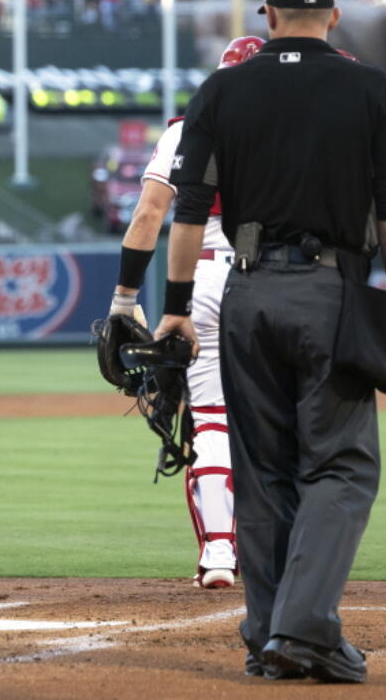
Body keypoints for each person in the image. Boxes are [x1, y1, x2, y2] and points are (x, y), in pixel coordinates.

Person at [155, 0, 386, 683]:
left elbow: (186, 214)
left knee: (262, 470)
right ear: (334, 16)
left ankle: (269, 634)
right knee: (340, 463)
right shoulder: (371, 87)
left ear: (266, 14)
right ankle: (303, 631)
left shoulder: (222, 89)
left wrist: (176, 310)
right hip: (329, 293)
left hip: (243, 293)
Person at [109, 35, 265, 590]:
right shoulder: (294, 129)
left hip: (202, 276)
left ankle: (220, 552)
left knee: (214, 419)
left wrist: (124, 300)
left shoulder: (186, 127)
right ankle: (290, 553)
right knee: (284, 419)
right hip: (281, 275)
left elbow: (150, 213)